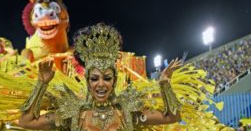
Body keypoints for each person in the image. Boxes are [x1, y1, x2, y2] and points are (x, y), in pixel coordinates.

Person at [18, 23, 182, 130]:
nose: (101, 84)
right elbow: (26, 122)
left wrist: (165, 84)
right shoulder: (72, 114)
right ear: (88, 81)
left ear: (114, 80)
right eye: (95, 78)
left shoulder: (127, 112)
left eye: (107, 78)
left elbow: (172, 117)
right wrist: (41, 83)